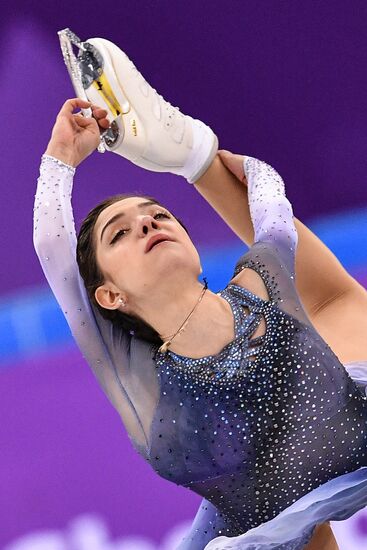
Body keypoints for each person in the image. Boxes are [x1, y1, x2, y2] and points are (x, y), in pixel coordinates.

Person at [33, 35, 367, 550]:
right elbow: (50, 243)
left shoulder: (259, 280)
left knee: (340, 306)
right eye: (120, 233)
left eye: (158, 214)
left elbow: (270, 205)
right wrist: (60, 158)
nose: (146, 224)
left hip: (354, 433)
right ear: (109, 296)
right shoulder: (132, 375)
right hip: (259, 524)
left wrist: (199, 153)